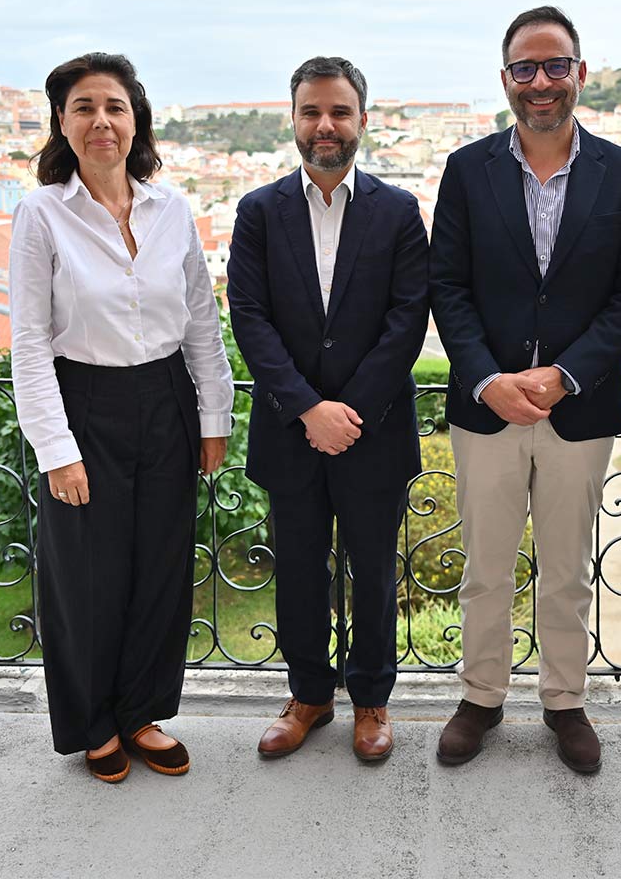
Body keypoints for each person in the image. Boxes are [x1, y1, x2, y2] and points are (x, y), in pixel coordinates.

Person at [429, 6, 621, 774]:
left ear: (580, 74)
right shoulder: (467, 170)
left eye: (555, 65)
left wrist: (565, 375)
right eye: (525, 68)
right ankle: (481, 698)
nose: (540, 81)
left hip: (579, 408)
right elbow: (446, 286)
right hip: (486, 410)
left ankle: (565, 702)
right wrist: (487, 380)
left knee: (566, 572)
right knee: (485, 570)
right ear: (505, 79)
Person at [10, 52, 234, 783]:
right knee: (87, 574)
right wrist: (56, 447)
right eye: (84, 107)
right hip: (85, 402)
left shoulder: (172, 210)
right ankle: (93, 723)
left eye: (115, 106)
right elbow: (29, 342)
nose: (101, 120)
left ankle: (141, 711)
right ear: (62, 122)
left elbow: (201, 319)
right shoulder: (42, 213)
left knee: (160, 566)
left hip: (166, 398)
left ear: (136, 119)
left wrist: (213, 415)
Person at [227, 56, 429, 762]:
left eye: (339, 112)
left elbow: (407, 321)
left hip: (374, 432)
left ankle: (371, 700)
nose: (325, 125)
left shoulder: (398, 212)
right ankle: (308, 696)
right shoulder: (258, 212)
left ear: (362, 121)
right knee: (299, 573)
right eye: (311, 111)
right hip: (291, 431)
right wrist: (309, 408)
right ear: (293, 119)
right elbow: (250, 319)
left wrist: (350, 411)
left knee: (373, 575)